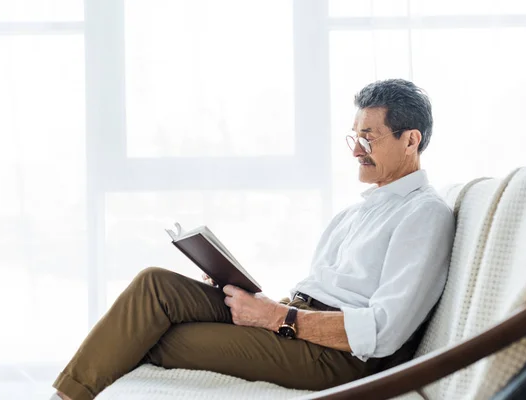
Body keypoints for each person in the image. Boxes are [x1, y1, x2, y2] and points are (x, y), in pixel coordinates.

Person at [52, 79, 455, 400]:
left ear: (410, 140)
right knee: (155, 286)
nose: (356, 151)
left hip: (339, 357)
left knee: (152, 335)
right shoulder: (356, 212)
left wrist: (276, 318)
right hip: (293, 320)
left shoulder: (424, 215)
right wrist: (255, 299)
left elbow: (383, 332)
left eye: (369, 137)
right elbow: (318, 291)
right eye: (354, 137)